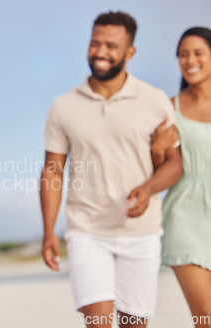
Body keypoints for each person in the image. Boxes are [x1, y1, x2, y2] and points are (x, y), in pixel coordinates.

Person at [40, 11, 183, 328]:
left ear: (130, 52)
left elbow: (175, 163)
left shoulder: (155, 101)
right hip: (87, 232)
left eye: (111, 46)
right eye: (95, 43)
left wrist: (148, 188)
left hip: (141, 234)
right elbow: (52, 171)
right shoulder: (63, 106)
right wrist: (49, 230)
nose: (100, 52)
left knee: (135, 325)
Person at [151, 27, 211, 327]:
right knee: (206, 318)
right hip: (185, 216)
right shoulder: (168, 108)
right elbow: (158, 169)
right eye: (183, 55)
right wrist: (158, 150)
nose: (190, 60)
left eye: (198, 53)